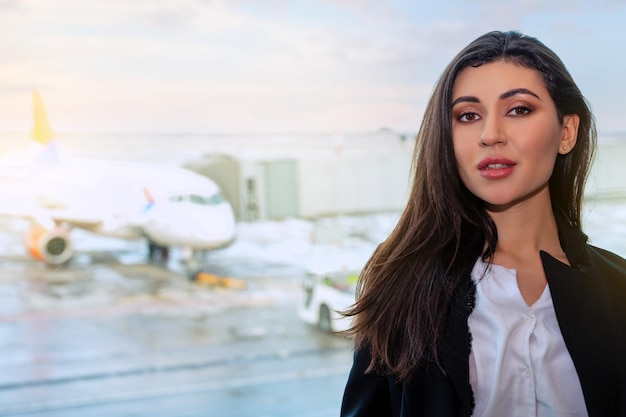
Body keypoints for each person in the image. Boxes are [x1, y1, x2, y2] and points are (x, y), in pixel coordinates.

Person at [340, 30, 626, 417]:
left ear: (567, 131)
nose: (491, 135)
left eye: (519, 109)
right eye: (468, 116)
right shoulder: (404, 282)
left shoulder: (618, 287)